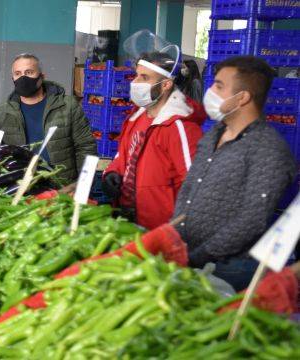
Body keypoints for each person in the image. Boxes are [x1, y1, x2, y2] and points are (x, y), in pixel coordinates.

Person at [172, 56, 296, 291]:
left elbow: (252, 219)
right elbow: (189, 188)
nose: (210, 91)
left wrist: (198, 256)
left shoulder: (268, 149)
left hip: (231, 269)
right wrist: (175, 238)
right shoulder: (213, 135)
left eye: (219, 86)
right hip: (189, 256)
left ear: (243, 97)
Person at [103, 52, 205, 230]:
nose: (135, 82)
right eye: (136, 75)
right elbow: (122, 157)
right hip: (126, 220)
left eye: (144, 77)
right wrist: (112, 173)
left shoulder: (180, 127)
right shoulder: (137, 117)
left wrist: (175, 231)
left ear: (166, 84)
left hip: (157, 228)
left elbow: (194, 185)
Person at [0, 53, 97, 182]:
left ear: (41, 77)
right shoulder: (1, 113)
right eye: (17, 73)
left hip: (61, 187)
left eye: (29, 72)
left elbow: (86, 147)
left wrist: (82, 186)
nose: (23, 78)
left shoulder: (68, 106)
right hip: (19, 189)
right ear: (13, 78)